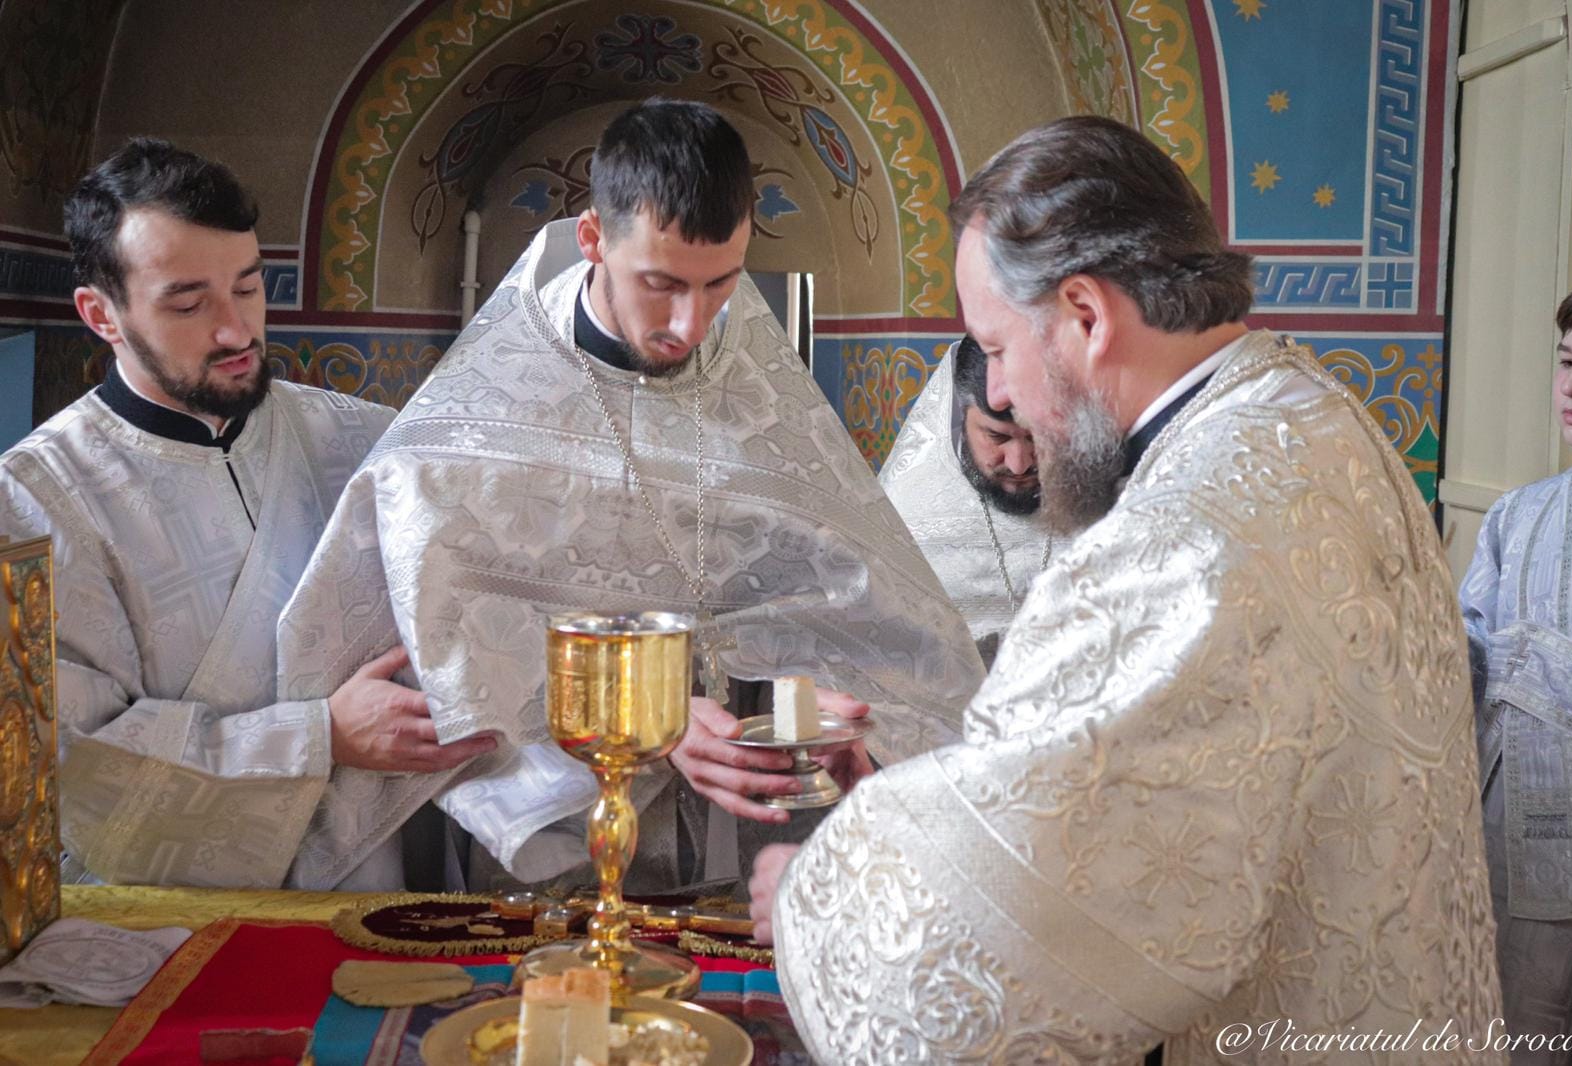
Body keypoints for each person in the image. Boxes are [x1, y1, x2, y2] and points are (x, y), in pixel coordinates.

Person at [751, 115, 1503, 1063]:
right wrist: (931, 805)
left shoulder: (1182, 537)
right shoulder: (1316, 417)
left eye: (997, 346)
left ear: (1086, 315)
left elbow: (1013, 943)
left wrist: (823, 897)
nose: (1001, 394)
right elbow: (1173, 805)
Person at [275, 99, 983, 892]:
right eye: (660, 284)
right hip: (551, 850)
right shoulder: (476, 426)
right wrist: (653, 722)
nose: (690, 323)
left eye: (721, 284)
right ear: (592, 240)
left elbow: (836, 601)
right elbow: (446, 658)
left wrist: (819, 701)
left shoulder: (754, 381)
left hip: (727, 841)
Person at [0, 139, 480, 888]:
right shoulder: (37, 497)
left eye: (249, 287)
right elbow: (72, 761)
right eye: (189, 303)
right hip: (175, 916)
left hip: (380, 884)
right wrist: (319, 737)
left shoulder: (365, 440)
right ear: (101, 314)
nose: (236, 330)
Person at [1462, 273, 1572, 1059]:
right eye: (1566, 361)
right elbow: (1471, 658)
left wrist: (1534, 661)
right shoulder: (1517, 513)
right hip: (1508, 818)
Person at [879, 334, 1051, 665]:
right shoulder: (908, 515)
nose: (1019, 463)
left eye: (1038, 436)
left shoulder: (1116, 502)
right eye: (996, 436)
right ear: (959, 415)